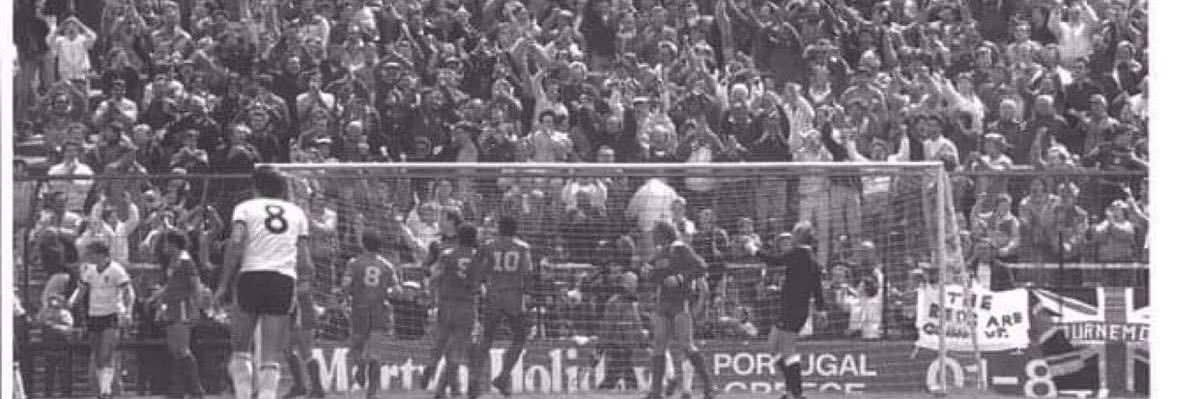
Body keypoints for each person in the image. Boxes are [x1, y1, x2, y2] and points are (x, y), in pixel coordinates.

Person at [214, 166, 314, 399]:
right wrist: (304, 287)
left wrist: (222, 284)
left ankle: (243, 394)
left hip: (252, 275)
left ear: (255, 186)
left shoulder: (245, 208)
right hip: (283, 279)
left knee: (240, 350)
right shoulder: (297, 213)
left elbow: (236, 243)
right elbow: (305, 259)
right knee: (270, 356)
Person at [644, 222, 716, 399]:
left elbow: (701, 267)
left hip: (680, 302)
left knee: (686, 344)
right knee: (659, 344)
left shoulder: (681, 248)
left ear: (664, 233)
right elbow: (655, 275)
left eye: (655, 232)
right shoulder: (660, 254)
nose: (653, 236)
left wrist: (679, 278)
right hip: (663, 303)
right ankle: (656, 392)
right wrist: (648, 272)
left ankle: (709, 387)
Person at [473, 216, 536, 398]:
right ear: (515, 229)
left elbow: (479, 269)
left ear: (499, 229)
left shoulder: (488, 245)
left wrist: (482, 285)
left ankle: (475, 378)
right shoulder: (523, 247)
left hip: (493, 295)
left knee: (486, 337)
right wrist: (527, 294)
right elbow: (527, 272)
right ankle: (503, 375)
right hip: (514, 297)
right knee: (519, 338)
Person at [68, 241, 136, 399]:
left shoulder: (116, 270)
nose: (89, 256)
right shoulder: (89, 270)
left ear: (100, 254)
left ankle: (105, 392)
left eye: (91, 253)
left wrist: (128, 312)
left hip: (111, 315)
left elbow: (129, 293)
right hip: (93, 316)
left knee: (106, 354)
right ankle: (102, 390)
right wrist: (71, 303)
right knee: (98, 356)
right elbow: (81, 290)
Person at [341, 229, 403, 399]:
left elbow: (345, 285)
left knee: (356, 348)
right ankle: (372, 393)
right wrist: (387, 291)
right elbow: (397, 291)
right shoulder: (387, 266)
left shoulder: (354, 263)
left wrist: (344, 299)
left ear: (363, 243)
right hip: (379, 311)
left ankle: (360, 367)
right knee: (375, 353)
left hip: (359, 310)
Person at [147, 230, 207, 399]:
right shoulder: (174, 261)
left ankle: (196, 389)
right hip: (171, 306)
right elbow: (171, 284)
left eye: (166, 243)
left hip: (182, 306)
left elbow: (195, 284)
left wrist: (196, 306)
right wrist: (157, 298)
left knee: (182, 349)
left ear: (174, 244)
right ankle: (178, 389)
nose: (164, 246)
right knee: (174, 350)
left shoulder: (185, 261)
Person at [429, 224, 486, 399]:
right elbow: (480, 286)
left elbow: (433, 276)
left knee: (448, 347)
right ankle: (468, 389)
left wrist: (435, 297)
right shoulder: (479, 258)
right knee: (466, 349)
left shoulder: (446, 255)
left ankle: (444, 388)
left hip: (446, 306)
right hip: (466, 307)